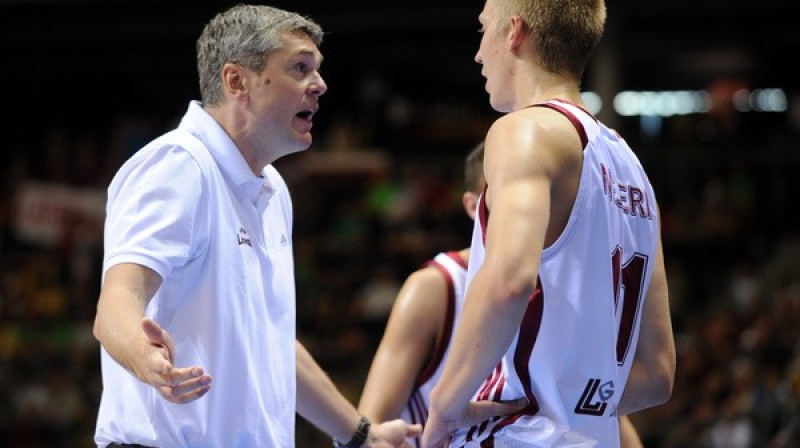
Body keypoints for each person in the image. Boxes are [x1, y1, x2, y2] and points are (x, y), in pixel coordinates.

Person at [92, 5, 420, 448]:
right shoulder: (180, 165)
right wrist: (140, 353)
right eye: (300, 68)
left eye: (317, 70)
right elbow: (119, 298)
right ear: (237, 82)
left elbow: (274, 344)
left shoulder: (271, 188)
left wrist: (362, 434)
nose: (320, 85)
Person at [421, 0, 677, 447]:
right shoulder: (632, 168)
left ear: (514, 33)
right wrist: (570, 408)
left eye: (483, 31)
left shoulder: (524, 130)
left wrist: (444, 408)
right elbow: (657, 375)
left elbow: (508, 282)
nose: (479, 54)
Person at [359, 143, 645, 448]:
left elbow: (604, 411)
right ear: (473, 206)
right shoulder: (436, 288)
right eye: (510, 195)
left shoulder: (564, 292)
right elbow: (370, 428)